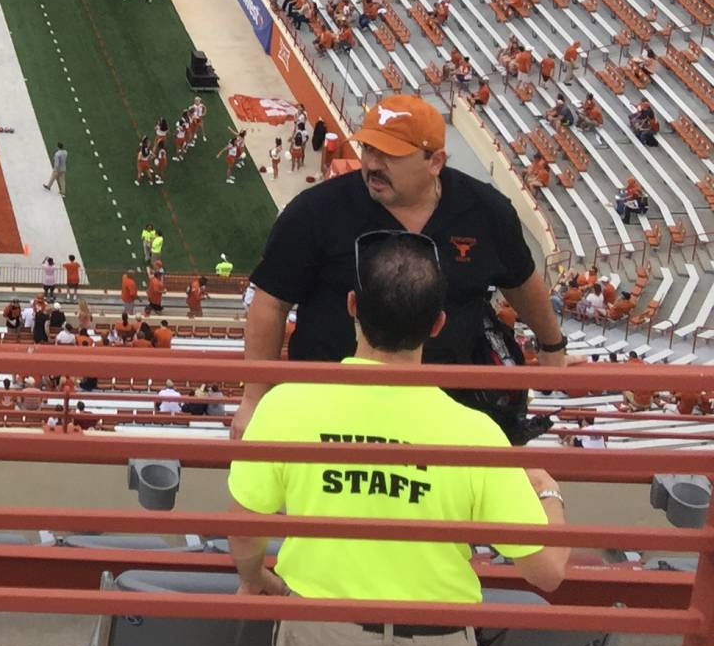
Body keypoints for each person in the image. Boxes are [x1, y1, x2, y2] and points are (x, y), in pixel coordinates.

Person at [229, 232, 567, 646]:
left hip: (323, 635)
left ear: (352, 307)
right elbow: (548, 571)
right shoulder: (475, 434)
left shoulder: (288, 404)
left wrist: (256, 576)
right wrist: (548, 491)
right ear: (437, 323)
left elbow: (244, 526)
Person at [238, 94, 566, 440]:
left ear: (435, 161)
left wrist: (552, 348)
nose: (373, 164)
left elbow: (521, 281)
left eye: (390, 155)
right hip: (331, 412)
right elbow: (271, 302)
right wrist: (253, 398)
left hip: (445, 415)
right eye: (368, 150)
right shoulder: (316, 210)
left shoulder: (486, 211)